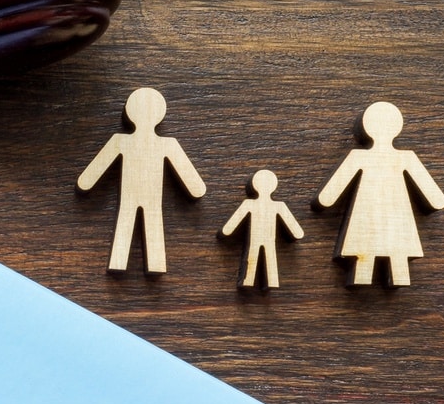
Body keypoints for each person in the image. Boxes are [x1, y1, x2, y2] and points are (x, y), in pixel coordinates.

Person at [315, 101, 444, 286]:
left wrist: (326, 200)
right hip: (398, 222)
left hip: (366, 219)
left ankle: (364, 279)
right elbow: (436, 198)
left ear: (367, 128)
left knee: (365, 255)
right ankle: (393, 279)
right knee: (395, 254)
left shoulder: (361, 157)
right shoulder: (405, 158)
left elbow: (328, 196)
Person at [77, 88, 206, 274]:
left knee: (126, 222)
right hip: (150, 201)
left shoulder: (121, 141)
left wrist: (87, 183)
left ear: (129, 112)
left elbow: (88, 179)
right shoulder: (165, 145)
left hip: (131, 200)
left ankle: (120, 263)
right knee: (152, 225)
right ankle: (152, 265)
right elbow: (196, 187)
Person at [220, 170, 304, 288]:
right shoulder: (277, 206)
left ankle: (250, 281)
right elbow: (296, 230)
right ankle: (268, 282)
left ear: (255, 185)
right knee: (269, 259)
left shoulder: (251, 204)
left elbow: (230, 226)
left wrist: (227, 231)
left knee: (255, 258)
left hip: (257, 239)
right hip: (267, 240)